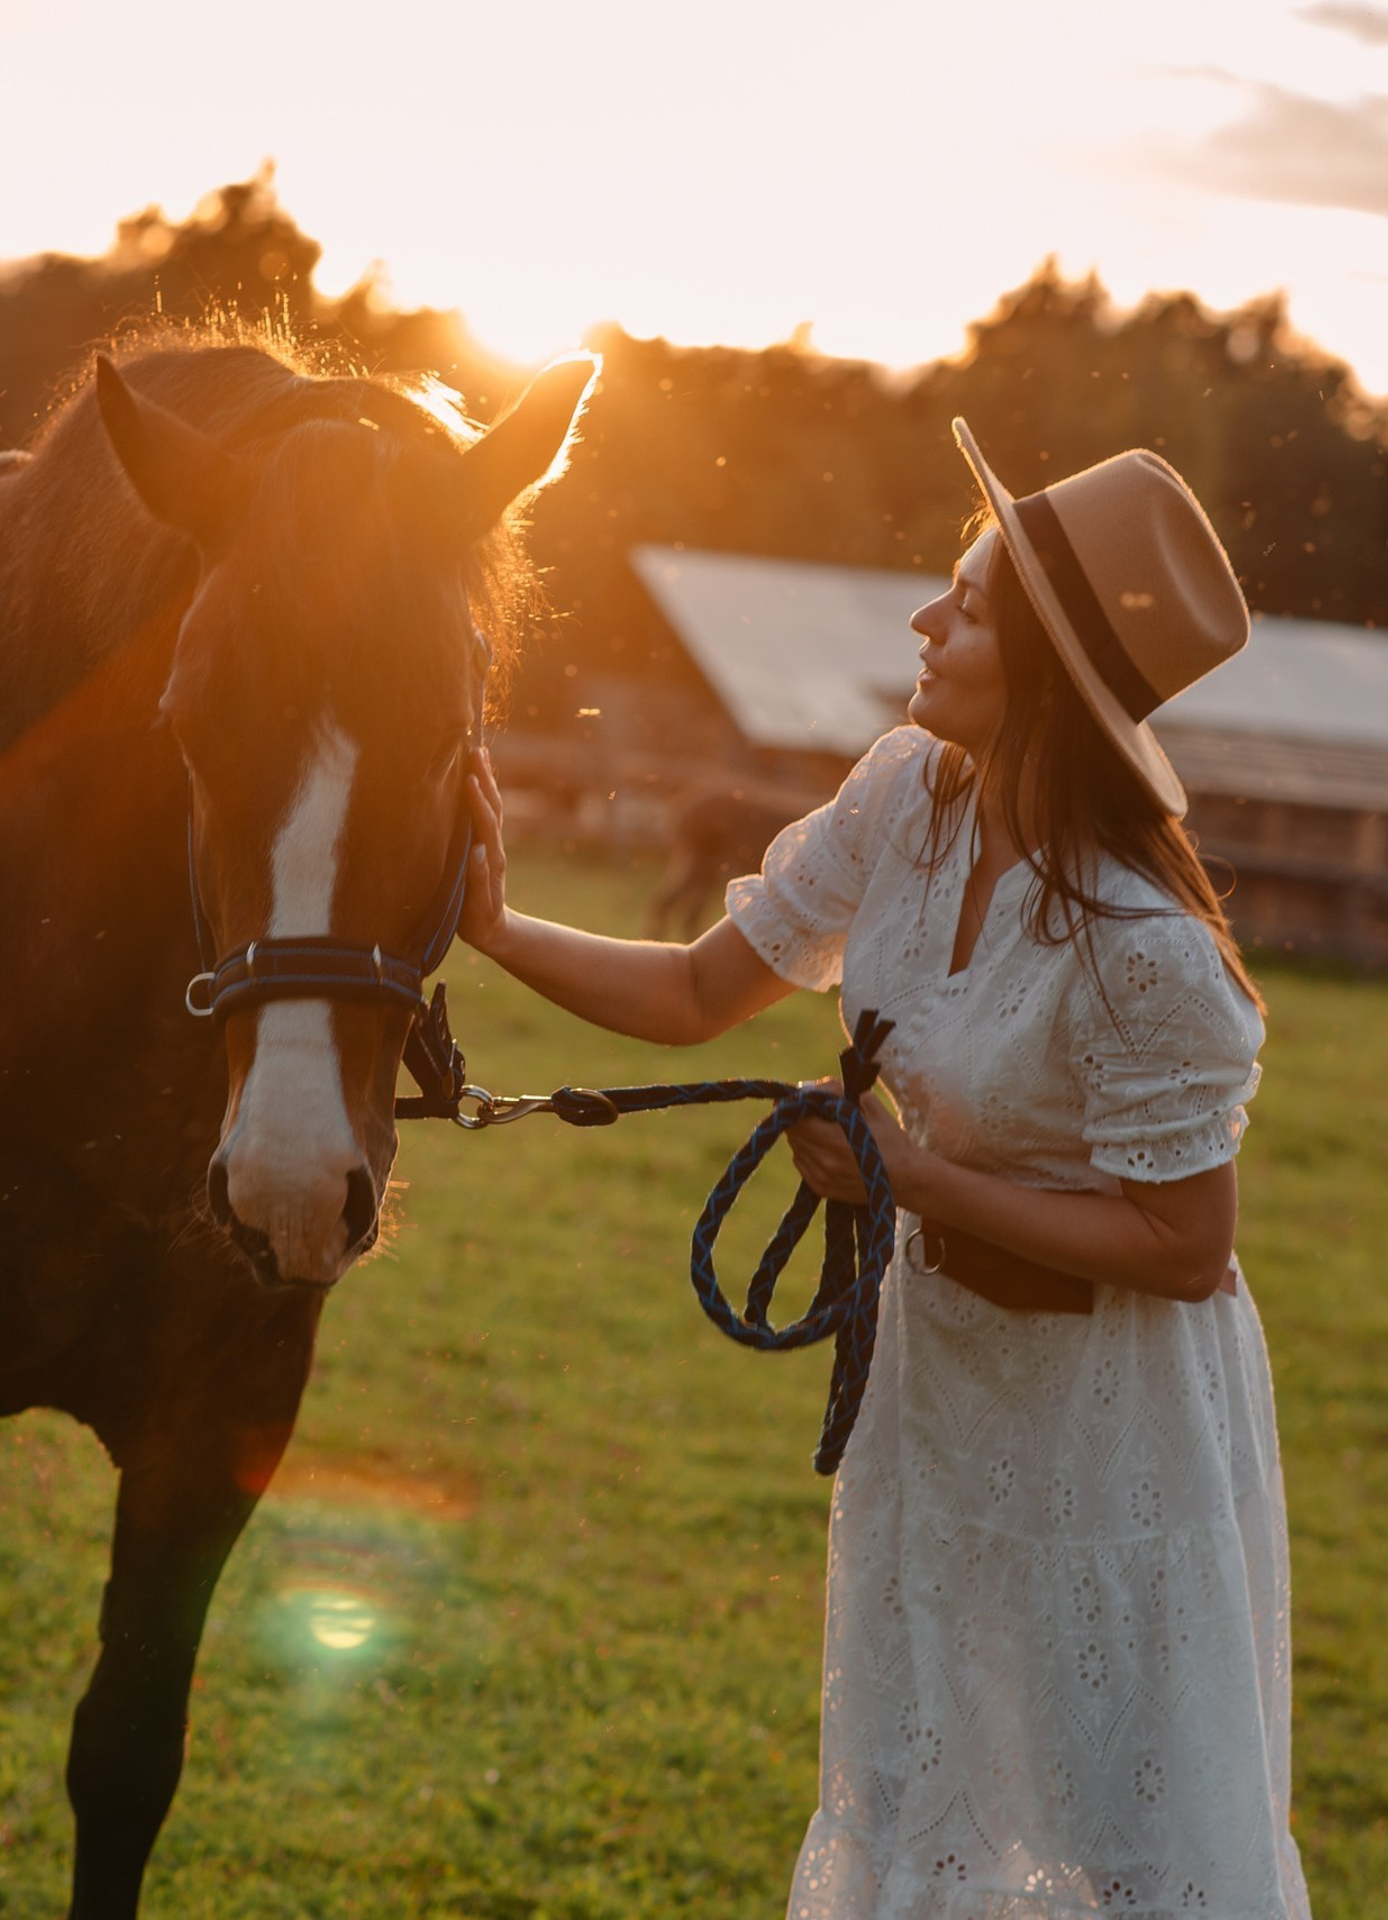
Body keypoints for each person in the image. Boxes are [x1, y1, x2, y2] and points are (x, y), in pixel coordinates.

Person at [458, 420, 1311, 1918]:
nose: (925, 618)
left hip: (1114, 1433)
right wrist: (493, 927)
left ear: (1043, 667)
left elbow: (1185, 1248)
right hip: (944, 1384)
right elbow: (690, 992)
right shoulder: (908, 796)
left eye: (968, 603)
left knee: (1117, 1830)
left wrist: (905, 1179)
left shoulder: (1146, 951)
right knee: (935, 1798)